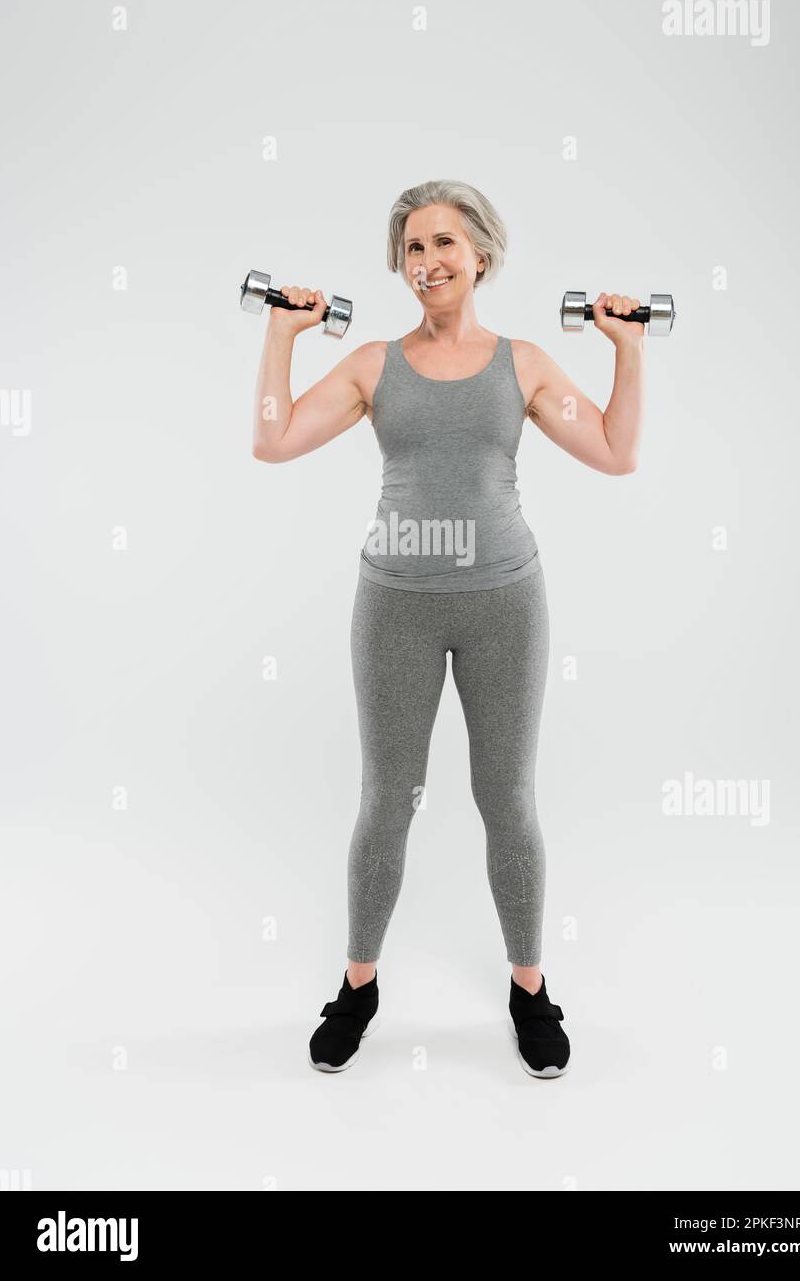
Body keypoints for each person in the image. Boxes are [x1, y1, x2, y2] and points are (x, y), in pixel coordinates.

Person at [251, 180, 644, 1077]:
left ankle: (529, 988)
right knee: (388, 798)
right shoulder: (372, 365)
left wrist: (627, 349)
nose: (425, 261)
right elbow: (272, 441)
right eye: (411, 248)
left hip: (505, 599)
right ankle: (357, 987)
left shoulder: (527, 363)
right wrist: (279, 335)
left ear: (480, 256)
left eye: (442, 244)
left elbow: (618, 454)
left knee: (504, 797)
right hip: (394, 601)